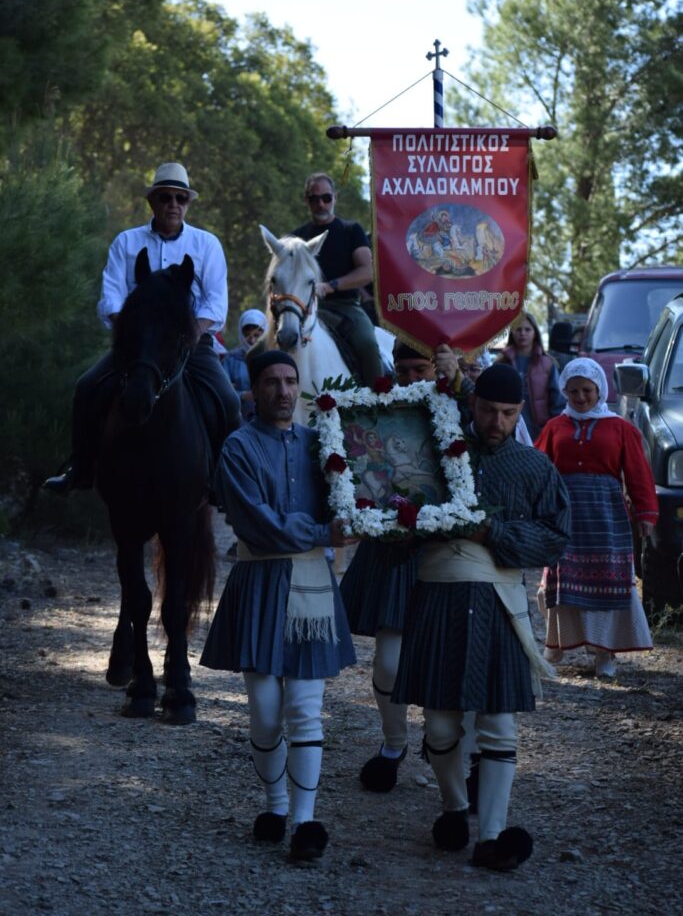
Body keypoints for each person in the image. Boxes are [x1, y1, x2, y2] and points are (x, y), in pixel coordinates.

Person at [392, 364, 571, 871]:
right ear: (472, 405)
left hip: (499, 604)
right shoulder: (435, 452)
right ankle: (454, 807)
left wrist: (493, 535)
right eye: (489, 410)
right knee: (441, 724)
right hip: (440, 599)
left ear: (521, 413)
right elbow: (397, 514)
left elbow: (556, 538)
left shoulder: (535, 468)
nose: (497, 421)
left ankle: (491, 836)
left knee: (499, 726)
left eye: (509, 413)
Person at [200, 350, 357, 862]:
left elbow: (355, 497)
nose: (284, 391)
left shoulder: (323, 444)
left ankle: (306, 823)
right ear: (256, 388)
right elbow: (255, 523)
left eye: (291, 381)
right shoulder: (238, 449)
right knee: (266, 716)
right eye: (273, 381)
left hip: (312, 584)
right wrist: (320, 532)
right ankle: (275, 804)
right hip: (262, 584)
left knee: (305, 712)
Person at [43, 162, 241, 494]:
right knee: (88, 386)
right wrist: (134, 331)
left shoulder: (207, 245)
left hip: (191, 344)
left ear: (188, 203)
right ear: (153, 202)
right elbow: (111, 296)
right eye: (165, 197)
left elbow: (216, 301)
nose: (173, 205)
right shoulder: (126, 242)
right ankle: (81, 468)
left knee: (228, 401)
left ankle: (226, 480)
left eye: (181, 198)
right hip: (139, 348)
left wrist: (193, 332)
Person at [340, 339, 465, 794]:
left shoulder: (463, 404)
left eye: (420, 368)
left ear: (437, 366)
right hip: (394, 550)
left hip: (445, 550)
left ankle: (449, 746)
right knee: (389, 663)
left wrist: (458, 381)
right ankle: (394, 743)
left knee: (448, 661)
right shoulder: (380, 405)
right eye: (403, 369)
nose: (411, 378)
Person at [535, 357, 657, 678]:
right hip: (565, 516)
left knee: (608, 581)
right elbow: (537, 469)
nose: (580, 397)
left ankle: (605, 653)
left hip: (606, 516)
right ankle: (556, 645)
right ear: (565, 391)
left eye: (587, 390)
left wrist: (646, 513)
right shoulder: (554, 427)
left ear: (599, 389)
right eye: (573, 391)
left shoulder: (620, 428)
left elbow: (638, 474)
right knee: (561, 580)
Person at [289, 172, 383, 388]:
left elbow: (368, 271)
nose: (320, 204)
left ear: (335, 197)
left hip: (346, 308)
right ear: (306, 200)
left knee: (367, 343)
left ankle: (380, 401)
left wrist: (329, 287)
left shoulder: (351, 230)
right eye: (314, 199)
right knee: (261, 348)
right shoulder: (296, 238)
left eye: (326, 198)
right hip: (305, 309)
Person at [500, 312, 563, 440]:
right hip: (508, 430)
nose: (522, 333)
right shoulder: (501, 363)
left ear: (535, 333)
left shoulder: (548, 364)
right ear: (512, 332)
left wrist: (556, 430)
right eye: (518, 329)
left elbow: (558, 401)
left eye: (527, 329)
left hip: (540, 431)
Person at [223, 308, 267, 421]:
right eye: (247, 335)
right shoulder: (231, 359)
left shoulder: (271, 357)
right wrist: (242, 395)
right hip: (238, 418)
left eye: (257, 335)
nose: (252, 341)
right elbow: (222, 391)